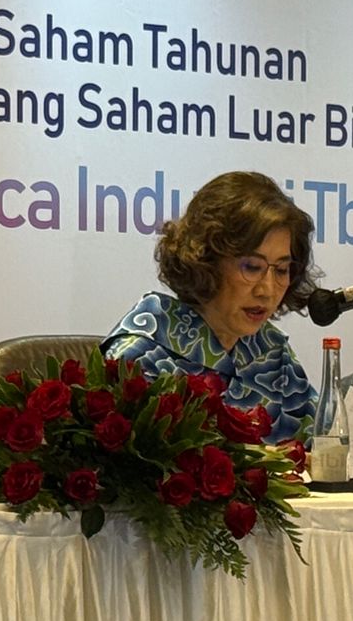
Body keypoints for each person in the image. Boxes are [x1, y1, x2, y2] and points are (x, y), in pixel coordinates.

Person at [102, 170, 318, 441]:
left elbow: (324, 446)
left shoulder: (271, 351)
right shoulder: (140, 357)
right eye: (252, 267)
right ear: (206, 261)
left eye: (282, 270)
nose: (267, 290)